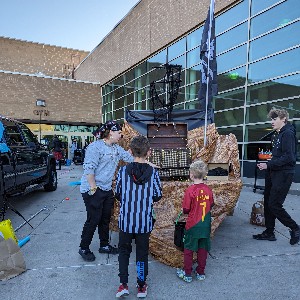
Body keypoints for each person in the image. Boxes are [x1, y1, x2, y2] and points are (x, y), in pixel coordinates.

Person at [79, 120, 134, 261]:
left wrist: (145, 159)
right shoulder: (95, 147)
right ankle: (84, 248)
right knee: (93, 219)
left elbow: (130, 158)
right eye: (119, 132)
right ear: (111, 133)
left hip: (107, 189)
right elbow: (89, 169)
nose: (121, 135)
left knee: (105, 219)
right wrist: (93, 188)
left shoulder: (116, 148)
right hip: (92, 188)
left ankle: (104, 245)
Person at [115, 135, 162, 298]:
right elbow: (157, 195)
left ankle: (123, 285)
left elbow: (118, 194)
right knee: (141, 253)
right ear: (148, 152)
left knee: (123, 251)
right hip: (144, 222)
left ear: (130, 151)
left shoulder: (122, 172)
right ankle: (141, 286)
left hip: (126, 221)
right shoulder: (153, 173)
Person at [253, 108, 300, 245]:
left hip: (284, 174)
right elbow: (279, 156)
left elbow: (289, 157)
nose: (272, 122)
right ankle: (269, 232)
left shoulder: (288, 134)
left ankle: (295, 228)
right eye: (271, 119)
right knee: (268, 203)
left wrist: (269, 165)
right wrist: (268, 163)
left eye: (274, 119)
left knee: (274, 204)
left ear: (283, 119)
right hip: (273, 172)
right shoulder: (277, 134)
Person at [176, 159, 214, 283]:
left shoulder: (190, 190)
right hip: (206, 224)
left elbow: (186, 209)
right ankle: (201, 272)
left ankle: (187, 273)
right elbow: (211, 204)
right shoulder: (208, 189)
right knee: (203, 248)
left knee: (189, 248)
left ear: (191, 175)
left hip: (193, 224)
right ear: (204, 174)